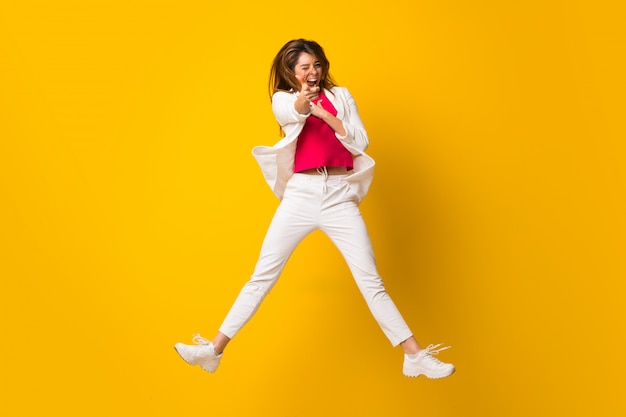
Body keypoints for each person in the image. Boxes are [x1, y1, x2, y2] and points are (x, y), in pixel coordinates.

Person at [174, 39, 455, 378]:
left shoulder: (341, 97)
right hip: (301, 194)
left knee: (371, 280)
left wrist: (324, 112)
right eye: (305, 67)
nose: (313, 72)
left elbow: (360, 141)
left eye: (317, 65)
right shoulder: (284, 98)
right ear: (292, 73)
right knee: (262, 276)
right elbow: (289, 112)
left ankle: (414, 355)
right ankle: (213, 350)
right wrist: (305, 106)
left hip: (339, 196)